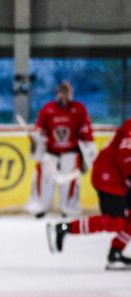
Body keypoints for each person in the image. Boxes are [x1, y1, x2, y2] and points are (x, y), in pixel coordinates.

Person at [46, 117, 131, 270]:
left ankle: (115, 254)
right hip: (109, 174)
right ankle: (64, 228)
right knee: (115, 222)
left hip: (121, 176)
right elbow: (125, 154)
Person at [26, 80, 96, 219]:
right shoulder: (47, 109)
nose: (64, 95)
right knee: (45, 180)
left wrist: (88, 151)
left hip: (71, 152)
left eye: (66, 92)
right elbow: (40, 128)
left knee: (69, 181)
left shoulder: (79, 109)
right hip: (50, 152)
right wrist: (37, 139)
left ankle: (69, 208)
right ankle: (40, 207)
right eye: (61, 92)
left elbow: (86, 130)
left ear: (71, 94)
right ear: (57, 93)